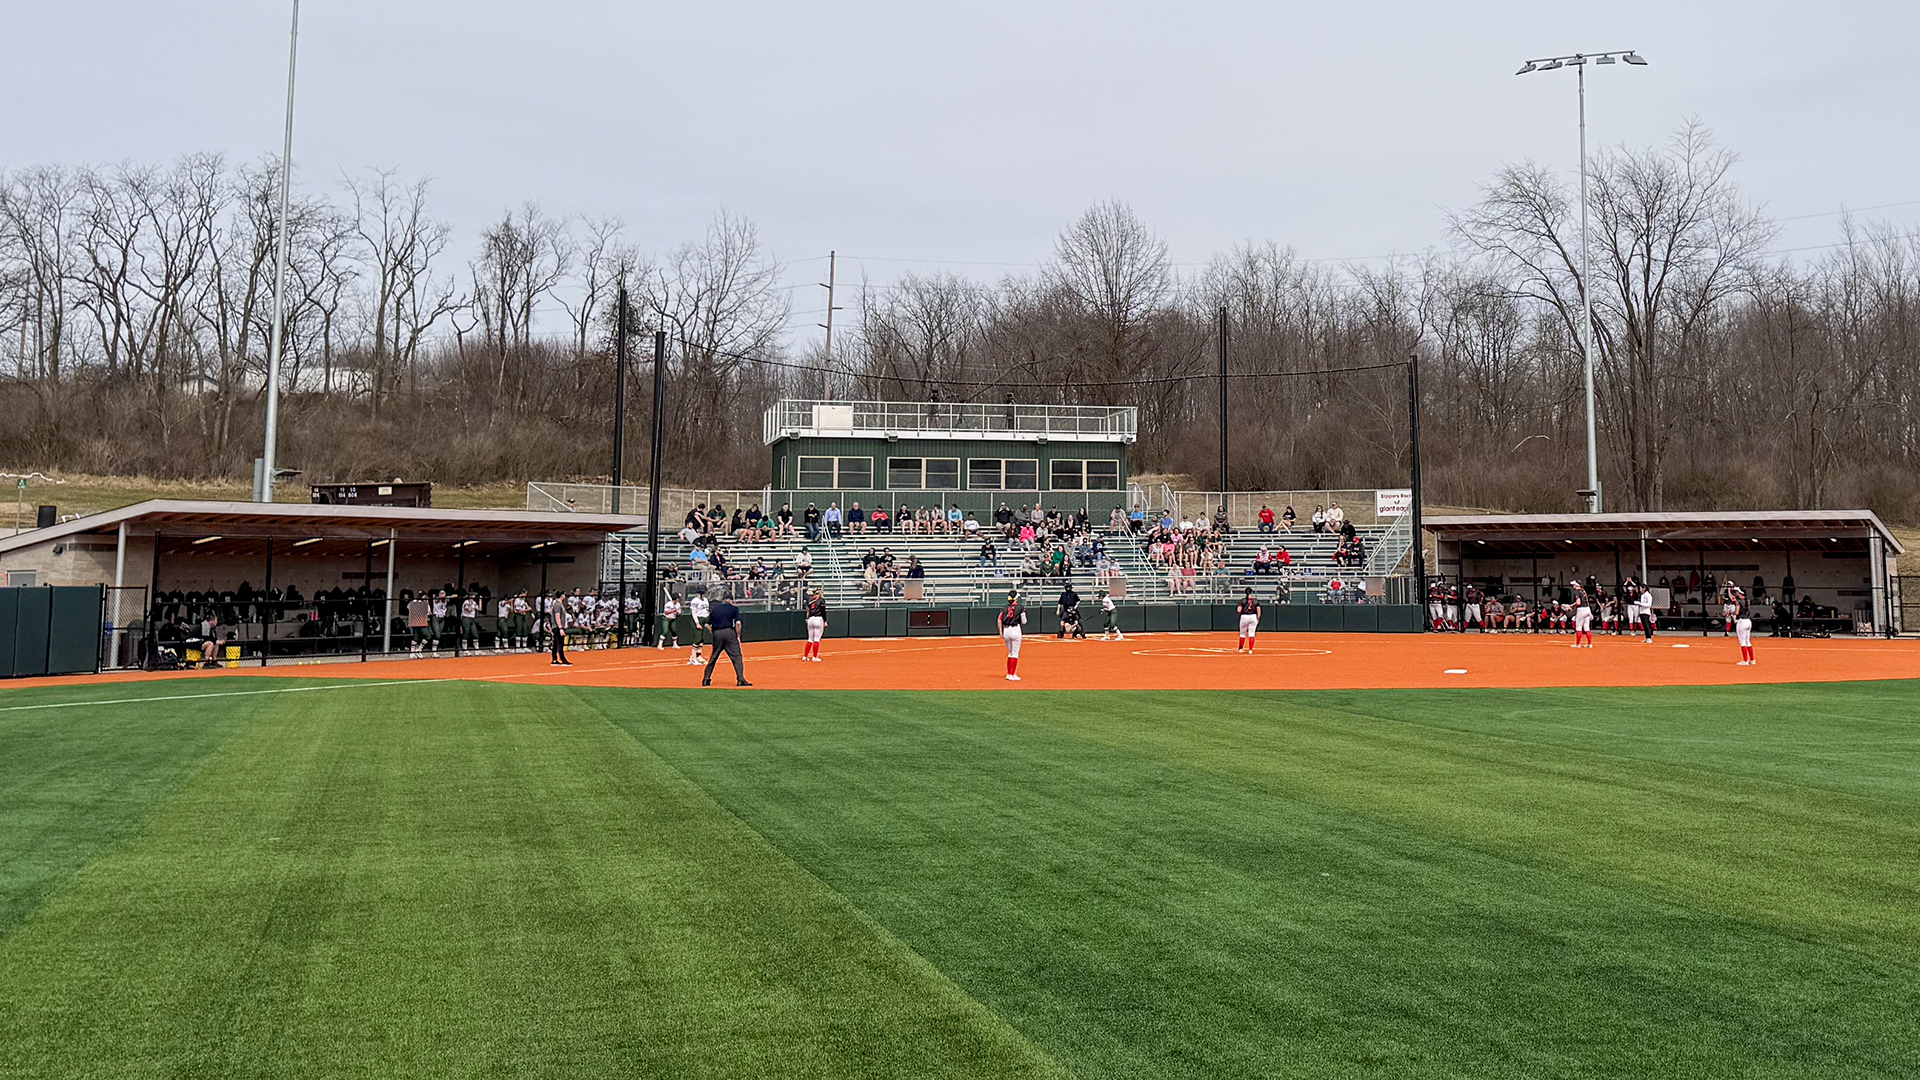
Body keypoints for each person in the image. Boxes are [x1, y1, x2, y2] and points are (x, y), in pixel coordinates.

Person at [701, 591, 751, 686]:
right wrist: (738, 636)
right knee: (736, 657)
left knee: (714, 657)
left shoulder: (715, 609)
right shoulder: (734, 609)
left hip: (717, 633)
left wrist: (714, 633)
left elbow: (707, 624)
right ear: (731, 600)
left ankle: (706, 679)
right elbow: (738, 623)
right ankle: (740, 679)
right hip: (729, 633)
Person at [999, 590, 1028, 681]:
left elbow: (999, 619)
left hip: (1006, 630)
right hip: (1015, 629)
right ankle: (1012, 674)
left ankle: (1009, 674)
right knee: (1015, 653)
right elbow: (1024, 621)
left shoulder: (1005, 608)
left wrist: (1001, 632)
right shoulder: (1020, 608)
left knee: (1010, 653)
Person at [1729, 585, 1757, 666]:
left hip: (1741, 621)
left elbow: (1737, 612)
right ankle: (1752, 660)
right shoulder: (1747, 600)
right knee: (1748, 641)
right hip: (1748, 620)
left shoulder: (1738, 602)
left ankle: (1745, 660)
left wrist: (1732, 613)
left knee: (1742, 642)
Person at [546, 593, 572, 666]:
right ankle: (562, 659)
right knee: (560, 643)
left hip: (557, 626)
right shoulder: (557, 605)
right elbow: (557, 617)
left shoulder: (558, 604)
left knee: (556, 644)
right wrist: (560, 627)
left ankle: (554, 659)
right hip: (558, 627)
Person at [802, 589, 827, 662]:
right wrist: (825, 620)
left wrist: (807, 618)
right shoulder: (821, 600)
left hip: (810, 619)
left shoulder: (810, 600)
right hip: (818, 618)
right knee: (817, 639)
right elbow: (823, 611)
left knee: (810, 639)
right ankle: (815, 657)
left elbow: (808, 611)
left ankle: (805, 656)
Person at [687, 591, 710, 666]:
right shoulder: (695, 601)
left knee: (702, 638)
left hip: (704, 618)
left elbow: (706, 610)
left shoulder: (706, 600)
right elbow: (694, 613)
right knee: (697, 638)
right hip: (698, 619)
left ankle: (698, 656)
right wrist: (697, 623)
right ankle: (693, 657)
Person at [1236, 587, 1261, 653]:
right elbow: (1259, 610)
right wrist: (1257, 619)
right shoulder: (1255, 601)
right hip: (1253, 616)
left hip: (1244, 616)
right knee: (1252, 634)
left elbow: (1239, 610)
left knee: (1242, 634)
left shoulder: (1243, 600)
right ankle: (1250, 649)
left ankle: (1240, 648)